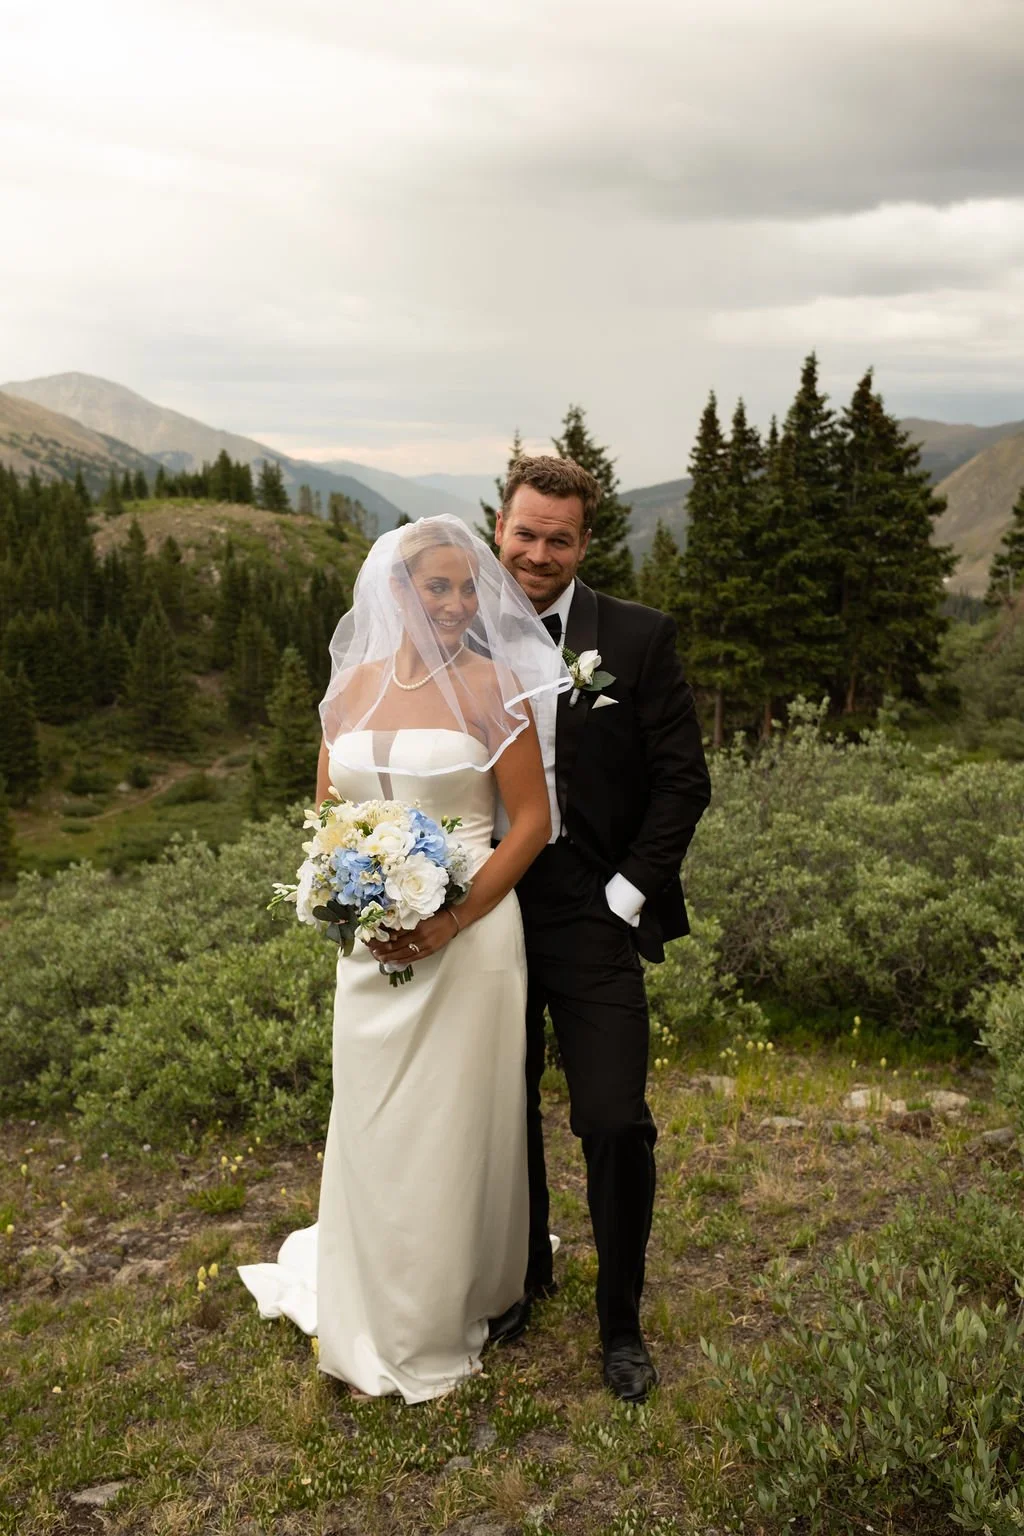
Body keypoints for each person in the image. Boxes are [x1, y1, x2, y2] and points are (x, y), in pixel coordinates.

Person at [239, 516, 569, 1403]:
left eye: (469, 588)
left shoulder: (496, 688)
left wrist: (450, 917)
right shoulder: (350, 691)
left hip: (470, 939)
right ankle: (369, 1289)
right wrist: (348, 897)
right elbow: (326, 820)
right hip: (371, 946)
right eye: (439, 588)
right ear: (397, 592)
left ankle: (436, 1307)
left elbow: (532, 825)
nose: (460, 605)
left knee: (448, 1123)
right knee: (374, 1118)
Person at [491, 454, 711, 1402]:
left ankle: (619, 1323)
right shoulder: (456, 630)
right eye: (524, 532)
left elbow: (682, 781)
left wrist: (626, 893)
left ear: (587, 542)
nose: (537, 553)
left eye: (558, 538)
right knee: (498, 1117)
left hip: (592, 906)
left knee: (615, 1119)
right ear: (500, 524)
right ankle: (520, 1282)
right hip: (485, 909)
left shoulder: (637, 635)